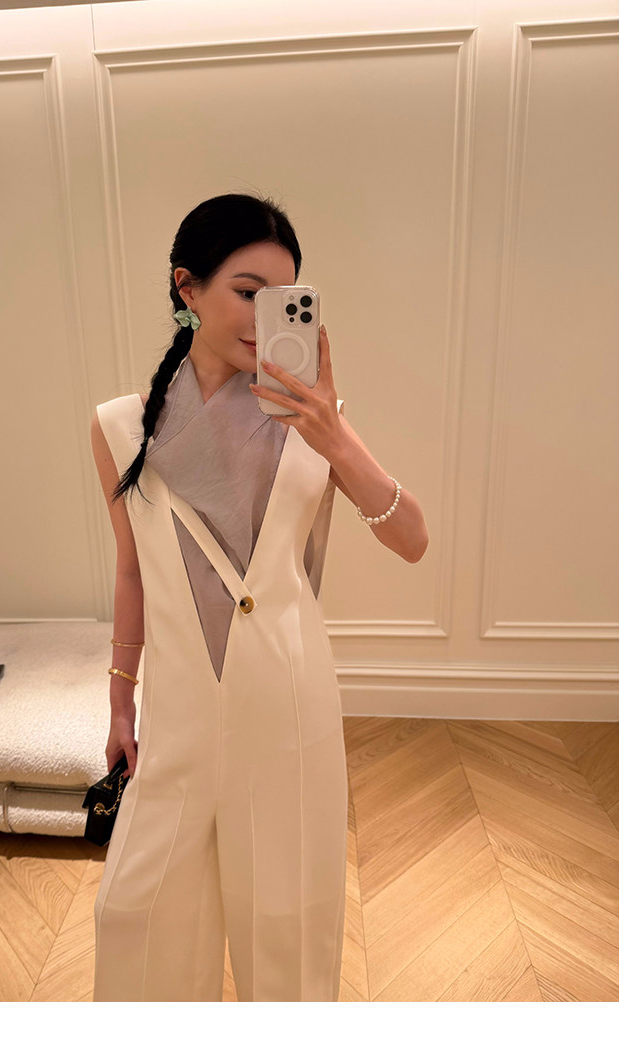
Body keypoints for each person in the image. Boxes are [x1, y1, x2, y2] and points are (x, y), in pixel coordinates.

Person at [90, 192, 428, 1002]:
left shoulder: (314, 420)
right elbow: (133, 570)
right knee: (136, 916)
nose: (263, 315)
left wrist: (336, 441)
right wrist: (120, 702)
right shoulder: (120, 427)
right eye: (248, 292)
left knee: (290, 928)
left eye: (284, 298)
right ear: (188, 287)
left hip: (287, 704)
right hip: (177, 711)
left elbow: (412, 539)